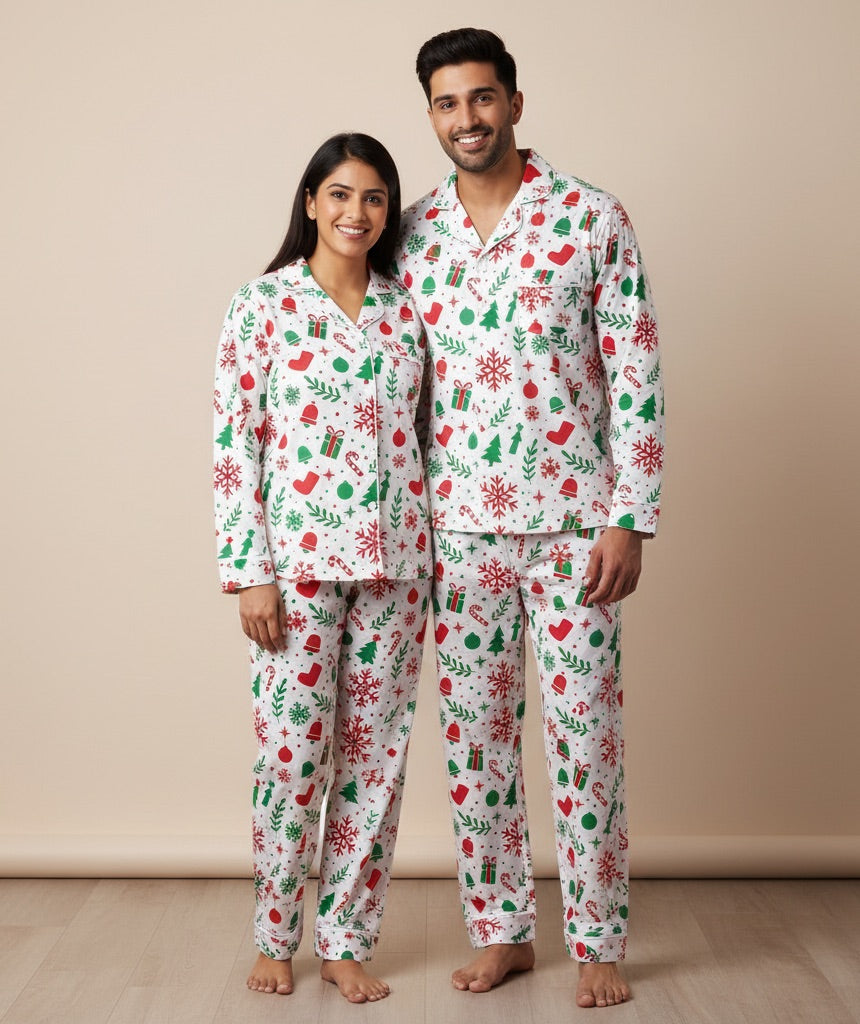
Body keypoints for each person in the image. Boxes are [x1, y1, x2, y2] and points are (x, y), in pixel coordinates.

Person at [396, 29, 664, 1009]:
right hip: (453, 532)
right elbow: (393, 389)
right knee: (474, 739)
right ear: (429, 114)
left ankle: (596, 937)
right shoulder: (411, 235)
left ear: (512, 99)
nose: (464, 118)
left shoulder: (590, 217)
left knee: (585, 738)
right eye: (444, 103)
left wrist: (629, 514)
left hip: (573, 531)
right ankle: (503, 930)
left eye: (479, 98)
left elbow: (633, 369)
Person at [213, 132, 431, 1003]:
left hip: (400, 567)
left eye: (375, 198)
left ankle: (345, 940)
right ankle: (277, 932)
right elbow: (236, 447)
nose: (357, 212)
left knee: (375, 761)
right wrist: (248, 571)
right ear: (310, 201)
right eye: (340, 194)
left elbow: (423, 441)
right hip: (296, 569)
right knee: (292, 756)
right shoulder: (260, 307)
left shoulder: (403, 310)